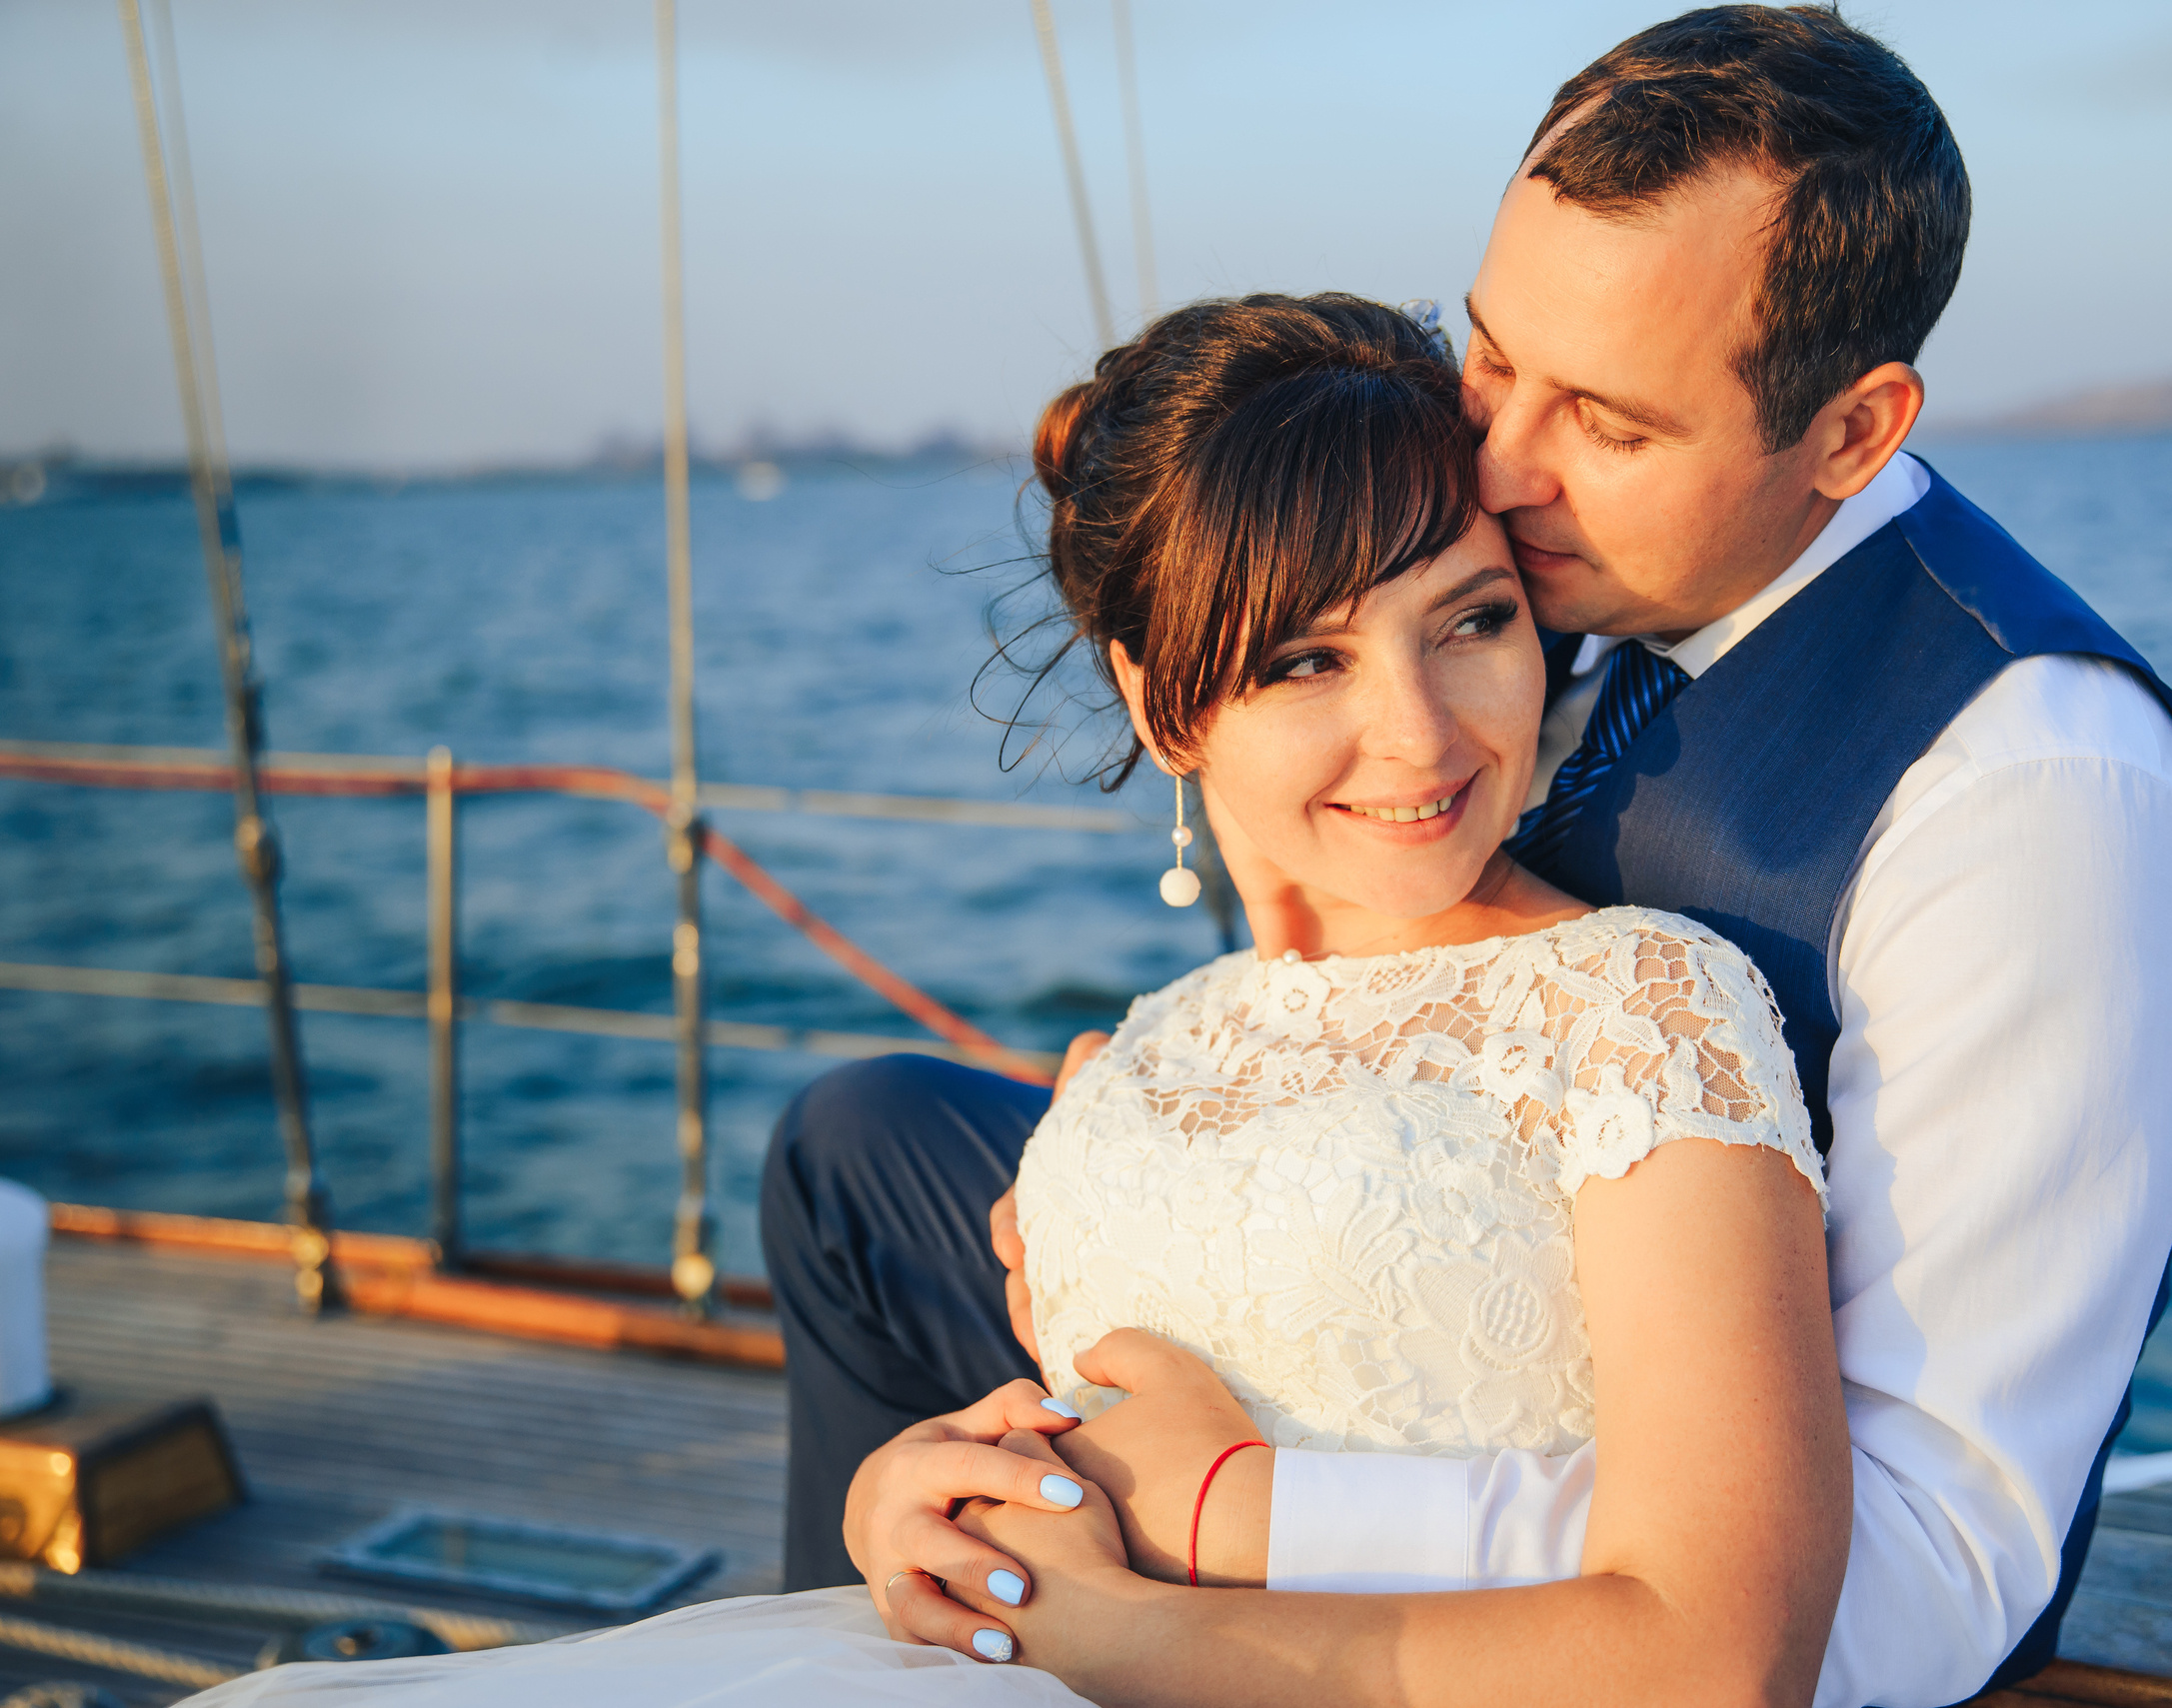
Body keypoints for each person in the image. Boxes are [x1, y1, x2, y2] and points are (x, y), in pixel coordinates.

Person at [775, 8, 2172, 1708]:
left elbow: (1927, 1574)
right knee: (864, 1141)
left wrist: (1245, 1510)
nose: (1490, 463)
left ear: (1850, 435)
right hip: (1413, 1251)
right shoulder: (1565, 564)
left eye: (1607, 420)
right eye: (1493, 356)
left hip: (1643, 1533)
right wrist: (1158, 1168)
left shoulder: (2038, 801)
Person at [189, 292, 1848, 1708]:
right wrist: (914, 1496)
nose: (1422, 735)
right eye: (1305, 661)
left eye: (1470, 621)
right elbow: (1071, 1444)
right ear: (1162, 695)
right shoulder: (1159, 1045)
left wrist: (1118, 1619)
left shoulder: (1641, 1008)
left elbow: (1717, 1652)